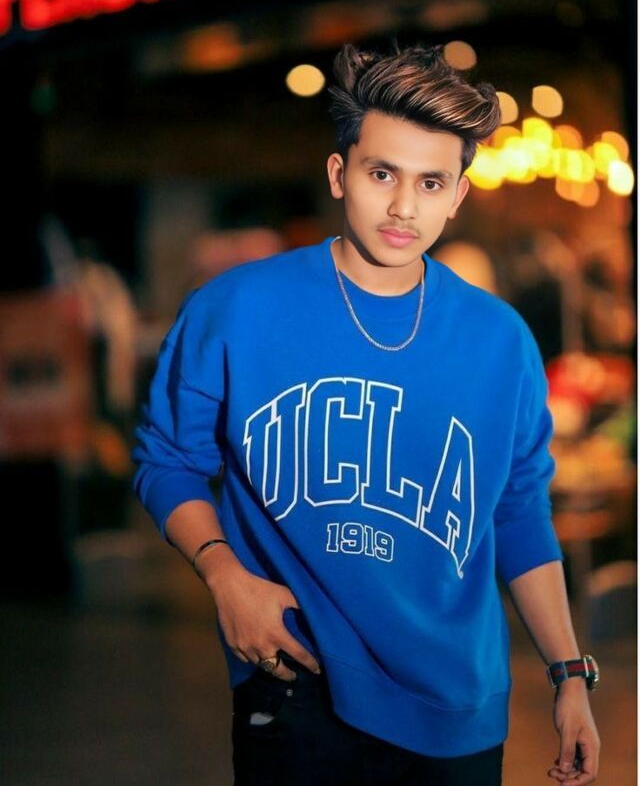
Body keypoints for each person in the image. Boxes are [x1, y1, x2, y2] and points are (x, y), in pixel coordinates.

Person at [131, 40, 600, 785]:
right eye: (383, 173)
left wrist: (568, 674)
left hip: (456, 706)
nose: (404, 207)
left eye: (431, 182)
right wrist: (225, 576)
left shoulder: (500, 341)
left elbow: (517, 511)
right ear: (339, 172)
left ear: (457, 196)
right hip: (294, 681)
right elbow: (168, 460)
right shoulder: (236, 308)